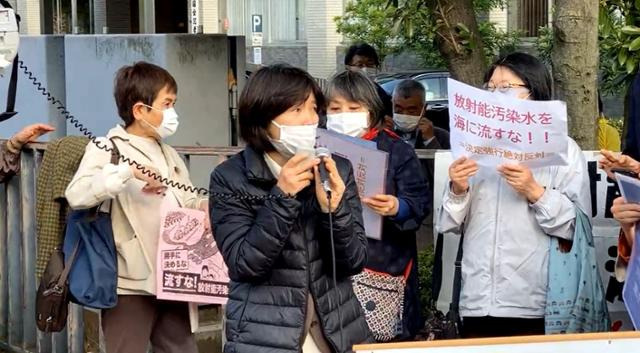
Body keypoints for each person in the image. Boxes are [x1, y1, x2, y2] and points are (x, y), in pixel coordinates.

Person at [209, 64, 372, 353]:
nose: (310, 120)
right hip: (265, 334)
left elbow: (354, 260)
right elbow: (244, 264)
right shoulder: (230, 178)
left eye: (313, 108)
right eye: (297, 110)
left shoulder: (336, 169)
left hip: (335, 328)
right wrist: (281, 197)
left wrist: (333, 211)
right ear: (263, 115)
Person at [437, 52, 591, 338]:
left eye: (506, 88)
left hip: (533, 303)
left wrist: (535, 192)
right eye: (490, 88)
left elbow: (576, 229)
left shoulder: (563, 150)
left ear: (534, 92)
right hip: (477, 301)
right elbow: (449, 224)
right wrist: (458, 189)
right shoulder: (474, 145)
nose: (496, 95)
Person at [65, 62, 207, 353]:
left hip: (174, 274)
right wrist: (128, 173)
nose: (172, 113)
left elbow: (186, 199)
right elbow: (77, 194)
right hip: (130, 279)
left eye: (173, 104)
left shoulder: (169, 152)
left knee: (182, 348)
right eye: (166, 104)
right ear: (140, 110)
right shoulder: (109, 147)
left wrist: (206, 206)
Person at [325, 70, 430, 341]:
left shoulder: (396, 150)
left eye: (353, 108)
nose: (343, 115)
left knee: (379, 341)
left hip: (383, 266)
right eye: (335, 108)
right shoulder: (319, 147)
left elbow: (418, 203)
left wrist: (397, 207)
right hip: (329, 266)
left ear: (370, 111)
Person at [344, 43, 393, 120]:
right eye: (359, 65)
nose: (365, 68)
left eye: (370, 64)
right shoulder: (339, 93)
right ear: (348, 68)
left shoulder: (382, 97)